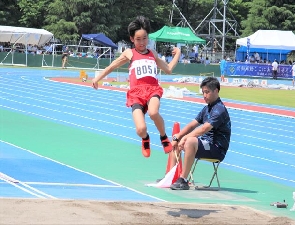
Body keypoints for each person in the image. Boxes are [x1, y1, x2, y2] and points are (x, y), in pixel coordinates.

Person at [92, 16, 181, 158]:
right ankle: (145, 138)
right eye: (138, 39)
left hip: (152, 89)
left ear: (148, 38)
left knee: (153, 112)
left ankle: (163, 137)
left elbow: (168, 69)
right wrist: (97, 78)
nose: (142, 42)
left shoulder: (153, 54)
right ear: (132, 39)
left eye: (144, 38)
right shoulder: (130, 53)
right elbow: (112, 66)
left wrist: (178, 55)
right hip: (136, 94)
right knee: (141, 129)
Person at [169, 77, 231, 190]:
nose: (204, 96)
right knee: (177, 141)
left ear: (216, 91)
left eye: (207, 92)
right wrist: (178, 137)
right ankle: (170, 177)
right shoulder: (206, 109)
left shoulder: (219, 110)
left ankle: (183, 180)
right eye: (203, 92)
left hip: (216, 149)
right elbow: (192, 125)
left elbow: (204, 129)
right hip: (205, 144)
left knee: (190, 141)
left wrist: (185, 138)